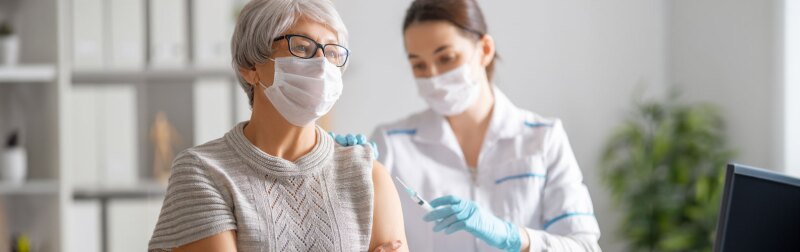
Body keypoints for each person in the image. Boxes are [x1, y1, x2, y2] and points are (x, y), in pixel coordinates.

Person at [333, 0, 601, 251]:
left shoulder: (543, 139)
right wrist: (339, 168)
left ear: (484, 50)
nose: (433, 76)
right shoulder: (391, 144)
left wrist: (514, 236)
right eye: (419, 65)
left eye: (446, 58)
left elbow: (585, 246)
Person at [147, 0, 407, 251]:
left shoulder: (366, 174)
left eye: (331, 52)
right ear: (250, 66)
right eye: (302, 47)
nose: (322, 64)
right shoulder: (204, 172)